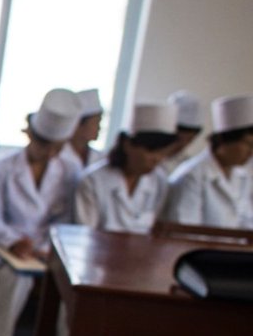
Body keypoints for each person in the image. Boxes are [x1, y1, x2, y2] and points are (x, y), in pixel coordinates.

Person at [0, 89, 82, 336]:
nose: (48, 153)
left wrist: (47, 246)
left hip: (48, 248)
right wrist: (13, 241)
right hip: (4, 245)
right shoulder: (3, 167)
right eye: (43, 145)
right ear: (30, 135)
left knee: (68, 284)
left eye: (55, 148)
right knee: (13, 275)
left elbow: (66, 218)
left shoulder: (70, 171)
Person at [75, 103, 178, 233]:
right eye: (151, 151)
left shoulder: (159, 181)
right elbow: (85, 234)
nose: (156, 159)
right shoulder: (93, 181)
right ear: (128, 144)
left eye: (163, 153)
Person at [162, 94, 253, 228]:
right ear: (223, 140)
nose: (251, 153)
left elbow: (246, 221)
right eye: (248, 144)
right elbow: (185, 229)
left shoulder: (242, 176)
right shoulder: (192, 175)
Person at [159, 90, 206, 176]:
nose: (183, 144)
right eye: (178, 140)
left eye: (189, 140)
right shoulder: (149, 159)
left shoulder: (188, 165)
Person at [59, 89, 105, 175]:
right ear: (78, 124)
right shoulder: (57, 155)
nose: (99, 128)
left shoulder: (101, 158)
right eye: (96, 123)